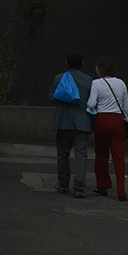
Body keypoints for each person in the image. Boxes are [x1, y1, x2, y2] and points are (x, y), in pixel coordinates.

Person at [50, 52, 94, 198]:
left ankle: (63, 184)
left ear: (66, 63)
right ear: (82, 63)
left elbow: (53, 97)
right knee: (81, 154)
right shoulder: (88, 80)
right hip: (82, 122)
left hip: (63, 121)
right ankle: (79, 187)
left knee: (63, 154)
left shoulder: (59, 78)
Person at [87, 56, 128, 202]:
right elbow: (125, 106)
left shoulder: (96, 83)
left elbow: (92, 104)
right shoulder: (121, 83)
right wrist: (126, 120)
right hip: (118, 121)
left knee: (101, 155)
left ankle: (103, 186)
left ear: (100, 69)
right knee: (119, 157)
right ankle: (121, 192)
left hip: (102, 120)